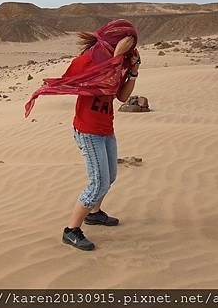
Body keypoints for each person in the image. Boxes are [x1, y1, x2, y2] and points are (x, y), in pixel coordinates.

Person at [24, 19, 140, 251]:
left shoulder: (123, 61)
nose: (132, 47)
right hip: (88, 130)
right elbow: (94, 80)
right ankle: (71, 230)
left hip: (106, 127)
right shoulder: (90, 61)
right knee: (98, 183)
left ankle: (94, 214)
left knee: (110, 177)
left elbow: (121, 97)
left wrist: (133, 72)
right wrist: (117, 57)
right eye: (127, 42)